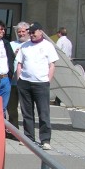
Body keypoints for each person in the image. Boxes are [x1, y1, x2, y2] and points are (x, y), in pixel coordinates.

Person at [15, 22, 59, 150]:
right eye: (30, 32)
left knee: (43, 112)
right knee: (26, 112)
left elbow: (52, 65)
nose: (31, 34)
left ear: (40, 31)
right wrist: (19, 79)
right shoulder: (25, 46)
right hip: (25, 82)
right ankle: (28, 137)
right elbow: (19, 64)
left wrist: (47, 80)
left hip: (41, 83)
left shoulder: (48, 46)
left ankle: (45, 139)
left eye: (34, 32)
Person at [6, 21, 29, 135]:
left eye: (23, 31)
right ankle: (13, 132)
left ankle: (27, 134)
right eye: (19, 32)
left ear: (28, 32)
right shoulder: (11, 44)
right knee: (12, 108)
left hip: (27, 82)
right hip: (13, 82)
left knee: (26, 109)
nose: (21, 34)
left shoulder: (31, 44)